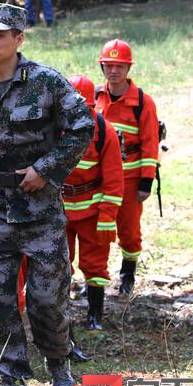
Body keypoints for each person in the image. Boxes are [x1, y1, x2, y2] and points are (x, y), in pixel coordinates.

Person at [0, 3, 93, 386]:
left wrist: (46, 169)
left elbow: (83, 126)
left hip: (40, 211)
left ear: (19, 39)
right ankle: (11, 377)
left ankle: (58, 360)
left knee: (47, 298)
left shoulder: (46, 82)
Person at [94, 39, 159, 296]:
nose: (114, 71)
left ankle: (127, 277)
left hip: (130, 178)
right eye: (109, 65)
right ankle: (95, 277)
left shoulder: (143, 103)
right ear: (102, 66)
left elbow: (150, 144)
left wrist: (146, 182)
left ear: (128, 68)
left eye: (119, 66)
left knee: (130, 232)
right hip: (99, 179)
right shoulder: (94, 98)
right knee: (97, 229)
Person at [64, 75, 122, 331]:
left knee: (95, 264)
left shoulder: (104, 130)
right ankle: (59, 316)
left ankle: (94, 316)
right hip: (60, 208)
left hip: (93, 208)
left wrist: (107, 217)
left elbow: (113, 179)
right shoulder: (51, 128)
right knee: (57, 263)